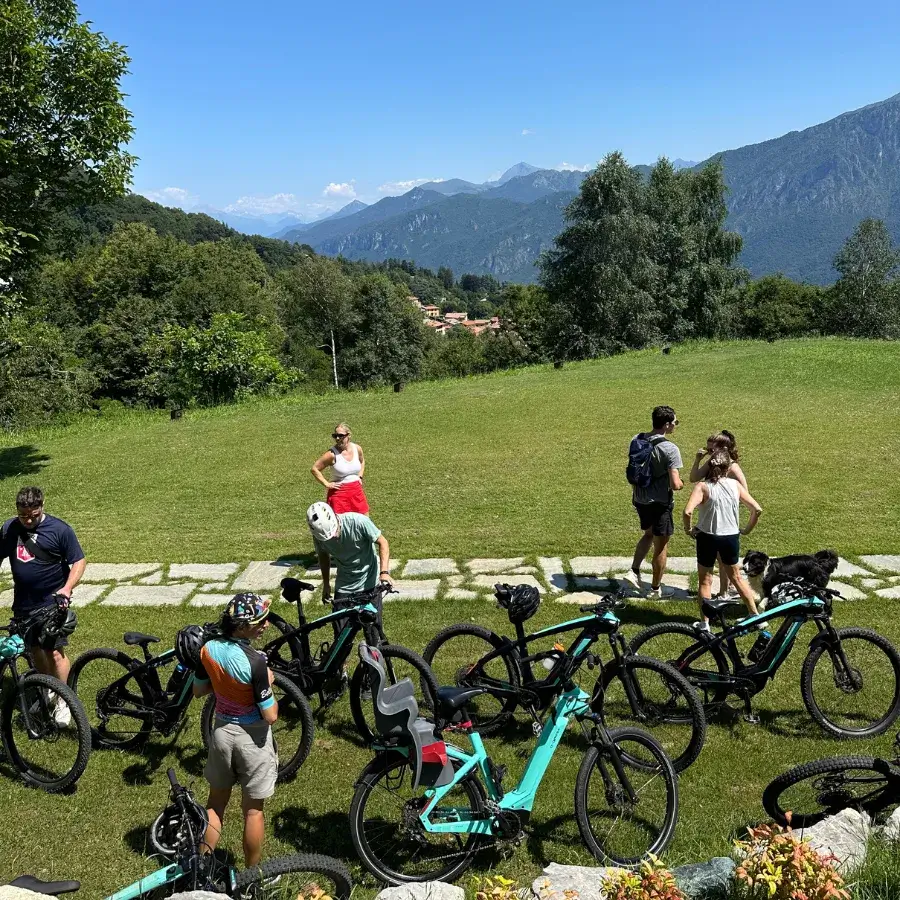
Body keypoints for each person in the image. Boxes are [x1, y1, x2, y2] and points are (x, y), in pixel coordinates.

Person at [192, 593, 278, 868]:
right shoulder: (255, 662)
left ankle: (202, 866)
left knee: (215, 804)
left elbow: (199, 689)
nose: (266, 624)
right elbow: (271, 715)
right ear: (241, 627)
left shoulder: (208, 648)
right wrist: (269, 682)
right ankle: (253, 874)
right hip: (252, 738)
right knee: (253, 811)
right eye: (260, 621)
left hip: (221, 733)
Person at [0, 486, 85, 723]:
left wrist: (67, 588)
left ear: (42, 506)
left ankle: (64, 700)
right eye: (23, 515)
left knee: (54, 651)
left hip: (51, 603)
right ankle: (46, 689)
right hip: (23, 604)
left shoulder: (60, 530)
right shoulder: (9, 529)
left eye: (33, 515)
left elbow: (78, 561)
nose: (28, 520)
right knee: (34, 650)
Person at [683, 450, 763, 630]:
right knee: (736, 577)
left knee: (705, 581)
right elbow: (756, 509)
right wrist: (747, 529)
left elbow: (688, 512)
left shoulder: (703, 487)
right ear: (728, 468)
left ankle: (705, 623)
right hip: (730, 536)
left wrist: (688, 529)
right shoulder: (735, 485)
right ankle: (755, 617)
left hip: (707, 537)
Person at [624, 406, 684, 599]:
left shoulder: (637, 439)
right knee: (661, 546)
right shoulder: (670, 448)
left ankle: (633, 571)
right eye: (675, 422)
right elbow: (675, 484)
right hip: (659, 503)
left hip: (640, 499)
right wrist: (682, 484)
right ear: (666, 424)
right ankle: (656, 590)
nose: (676, 425)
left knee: (648, 534)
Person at [690, 430, 748, 598]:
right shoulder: (712, 463)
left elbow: (744, 492)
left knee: (724, 563)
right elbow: (694, 477)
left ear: (723, 448)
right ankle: (724, 591)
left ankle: (724, 592)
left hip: (726, 520)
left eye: (711, 449)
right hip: (712, 518)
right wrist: (697, 460)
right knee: (719, 560)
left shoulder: (733, 467)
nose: (709, 453)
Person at [306, 501, 392, 604]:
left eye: (333, 532)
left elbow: (383, 542)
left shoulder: (358, 522)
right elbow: (323, 556)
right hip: (343, 586)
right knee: (340, 618)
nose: (332, 537)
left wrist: (384, 572)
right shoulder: (319, 535)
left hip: (369, 583)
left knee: (369, 619)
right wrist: (326, 584)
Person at [311, 423, 369, 514]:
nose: (337, 438)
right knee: (341, 526)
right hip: (339, 496)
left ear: (348, 436)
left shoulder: (357, 449)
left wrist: (360, 476)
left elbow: (362, 461)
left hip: (356, 492)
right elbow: (315, 469)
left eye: (340, 436)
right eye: (335, 436)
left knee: (364, 523)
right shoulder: (331, 454)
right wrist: (327, 484)